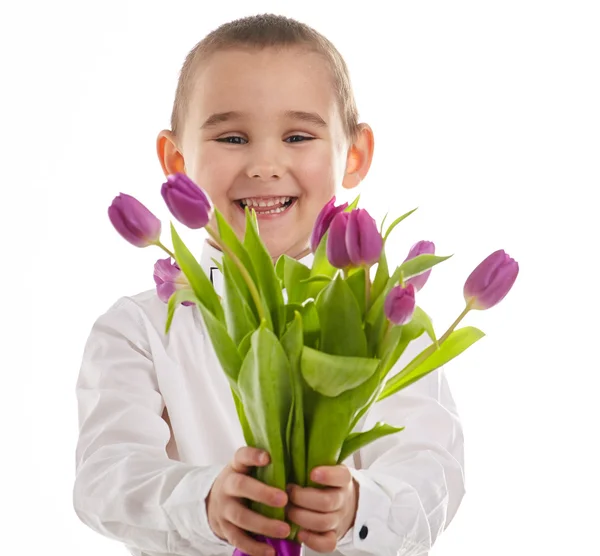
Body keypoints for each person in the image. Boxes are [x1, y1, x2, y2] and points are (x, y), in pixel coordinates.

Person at [73, 13, 465, 556]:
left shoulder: (389, 320)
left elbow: (433, 469)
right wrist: (205, 502)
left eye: (298, 135)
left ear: (354, 155)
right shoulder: (137, 330)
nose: (264, 164)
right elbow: (105, 478)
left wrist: (358, 506)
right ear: (176, 162)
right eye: (232, 137)